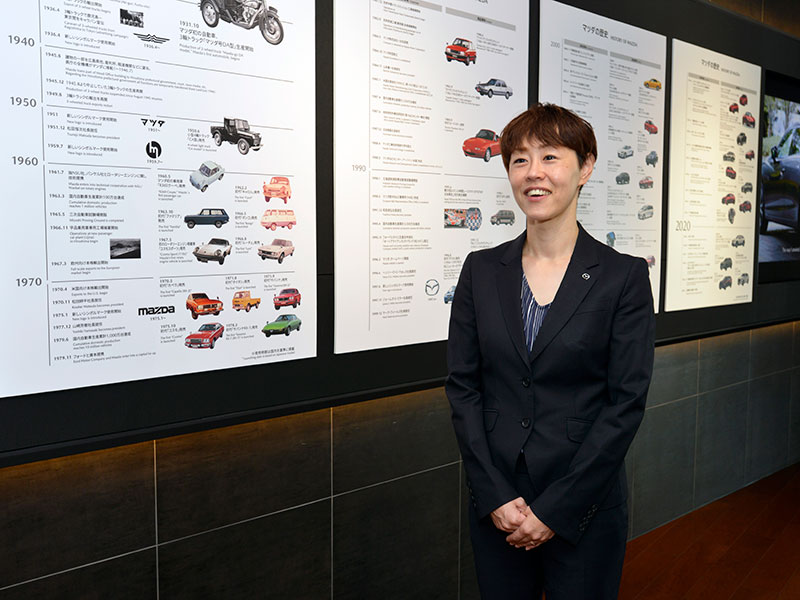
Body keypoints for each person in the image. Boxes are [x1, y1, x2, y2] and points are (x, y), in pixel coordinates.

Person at [446, 103, 655, 599]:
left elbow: (625, 403)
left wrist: (555, 510)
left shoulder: (622, 276)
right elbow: (463, 388)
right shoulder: (481, 270)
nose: (533, 173)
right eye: (520, 159)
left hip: (585, 506)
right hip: (498, 505)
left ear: (585, 168)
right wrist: (494, 494)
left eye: (550, 157)